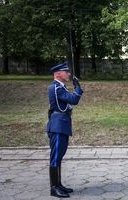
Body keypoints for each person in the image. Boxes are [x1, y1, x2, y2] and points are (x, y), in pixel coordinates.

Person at [46, 62, 83, 198]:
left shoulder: (61, 87)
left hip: (62, 124)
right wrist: (77, 87)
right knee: (55, 157)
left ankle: (59, 184)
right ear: (58, 74)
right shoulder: (55, 88)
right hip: (57, 125)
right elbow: (73, 100)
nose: (68, 73)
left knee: (59, 155)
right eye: (66, 71)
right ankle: (54, 188)